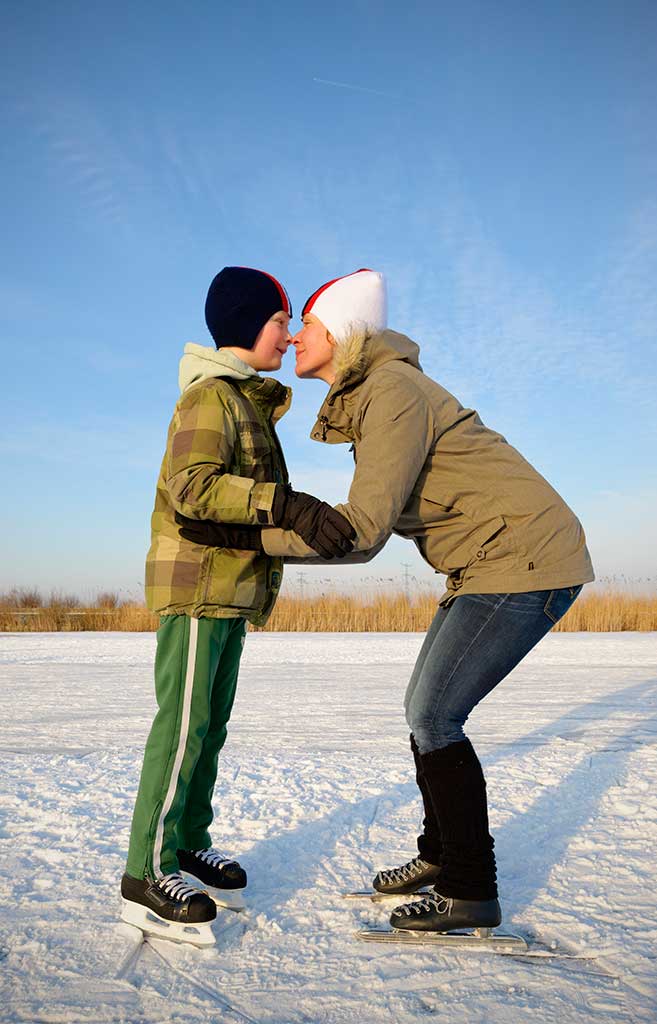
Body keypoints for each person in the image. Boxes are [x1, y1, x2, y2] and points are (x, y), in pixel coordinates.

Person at [181, 267, 594, 937]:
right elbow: (364, 536)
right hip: (490, 562)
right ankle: (439, 857)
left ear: (341, 332)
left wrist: (244, 538)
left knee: (435, 713)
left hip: (522, 560)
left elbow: (361, 532)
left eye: (305, 326)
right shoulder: (376, 393)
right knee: (425, 710)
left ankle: (469, 888)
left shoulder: (390, 390)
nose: (292, 340)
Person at [120, 266, 355, 946]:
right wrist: (281, 502)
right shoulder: (208, 399)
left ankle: (187, 843)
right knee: (182, 728)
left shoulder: (246, 403)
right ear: (248, 323)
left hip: (228, 591)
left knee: (210, 728)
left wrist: (301, 520)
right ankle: (144, 875)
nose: (288, 336)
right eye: (281, 323)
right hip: (196, 590)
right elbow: (192, 488)